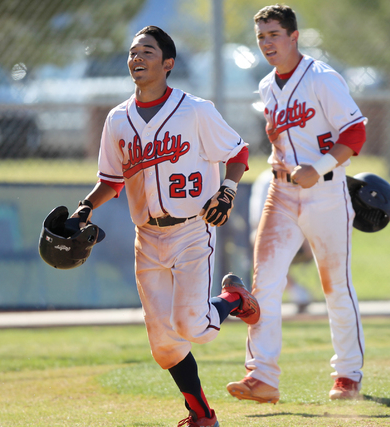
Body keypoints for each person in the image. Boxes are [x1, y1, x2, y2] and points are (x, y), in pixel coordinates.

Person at [69, 26, 259, 427]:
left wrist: (226, 190)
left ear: (167, 63)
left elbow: (237, 150)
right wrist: (85, 208)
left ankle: (234, 299)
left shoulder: (195, 110)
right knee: (163, 346)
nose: (137, 58)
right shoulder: (118, 118)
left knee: (195, 326)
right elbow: (112, 179)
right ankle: (201, 414)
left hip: (192, 229)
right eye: (133, 52)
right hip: (147, 236)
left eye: (147, 52)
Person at [226, 4, 368, 403]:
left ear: (294, 36)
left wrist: (319, 165)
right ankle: (262, 377)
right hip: (281, 191)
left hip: (325, 190)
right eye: (261, 37)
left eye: (274, 35)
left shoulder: (321, 78)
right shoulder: (267, 85)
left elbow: (355, 132)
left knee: (335, 285)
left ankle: (347, 375)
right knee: (264, 283)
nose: (267, 43)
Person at [249, 169, 312, 314]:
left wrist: (306, 241)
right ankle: (295, 294)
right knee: (258, 243)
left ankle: (330, 293)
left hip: (301, 237)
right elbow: (259, 222)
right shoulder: (266, 180)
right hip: (274, 236)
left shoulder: (302, 175)